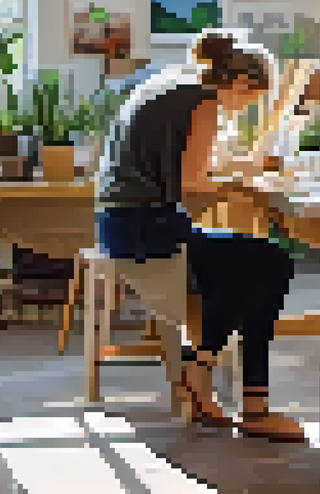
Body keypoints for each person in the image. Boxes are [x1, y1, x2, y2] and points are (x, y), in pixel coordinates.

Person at [95, 31, 303, 442]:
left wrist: (234, 174)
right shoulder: (204, 101)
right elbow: (192, 184)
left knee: (250, 264)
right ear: (241, 84)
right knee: (271, 263)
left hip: (121, 223)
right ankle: (219, 378)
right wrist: (244, 187)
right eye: (251, 101)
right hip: (146, 228)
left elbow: (189, 167)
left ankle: (223, 382)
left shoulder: (172, 83)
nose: (243, 110)